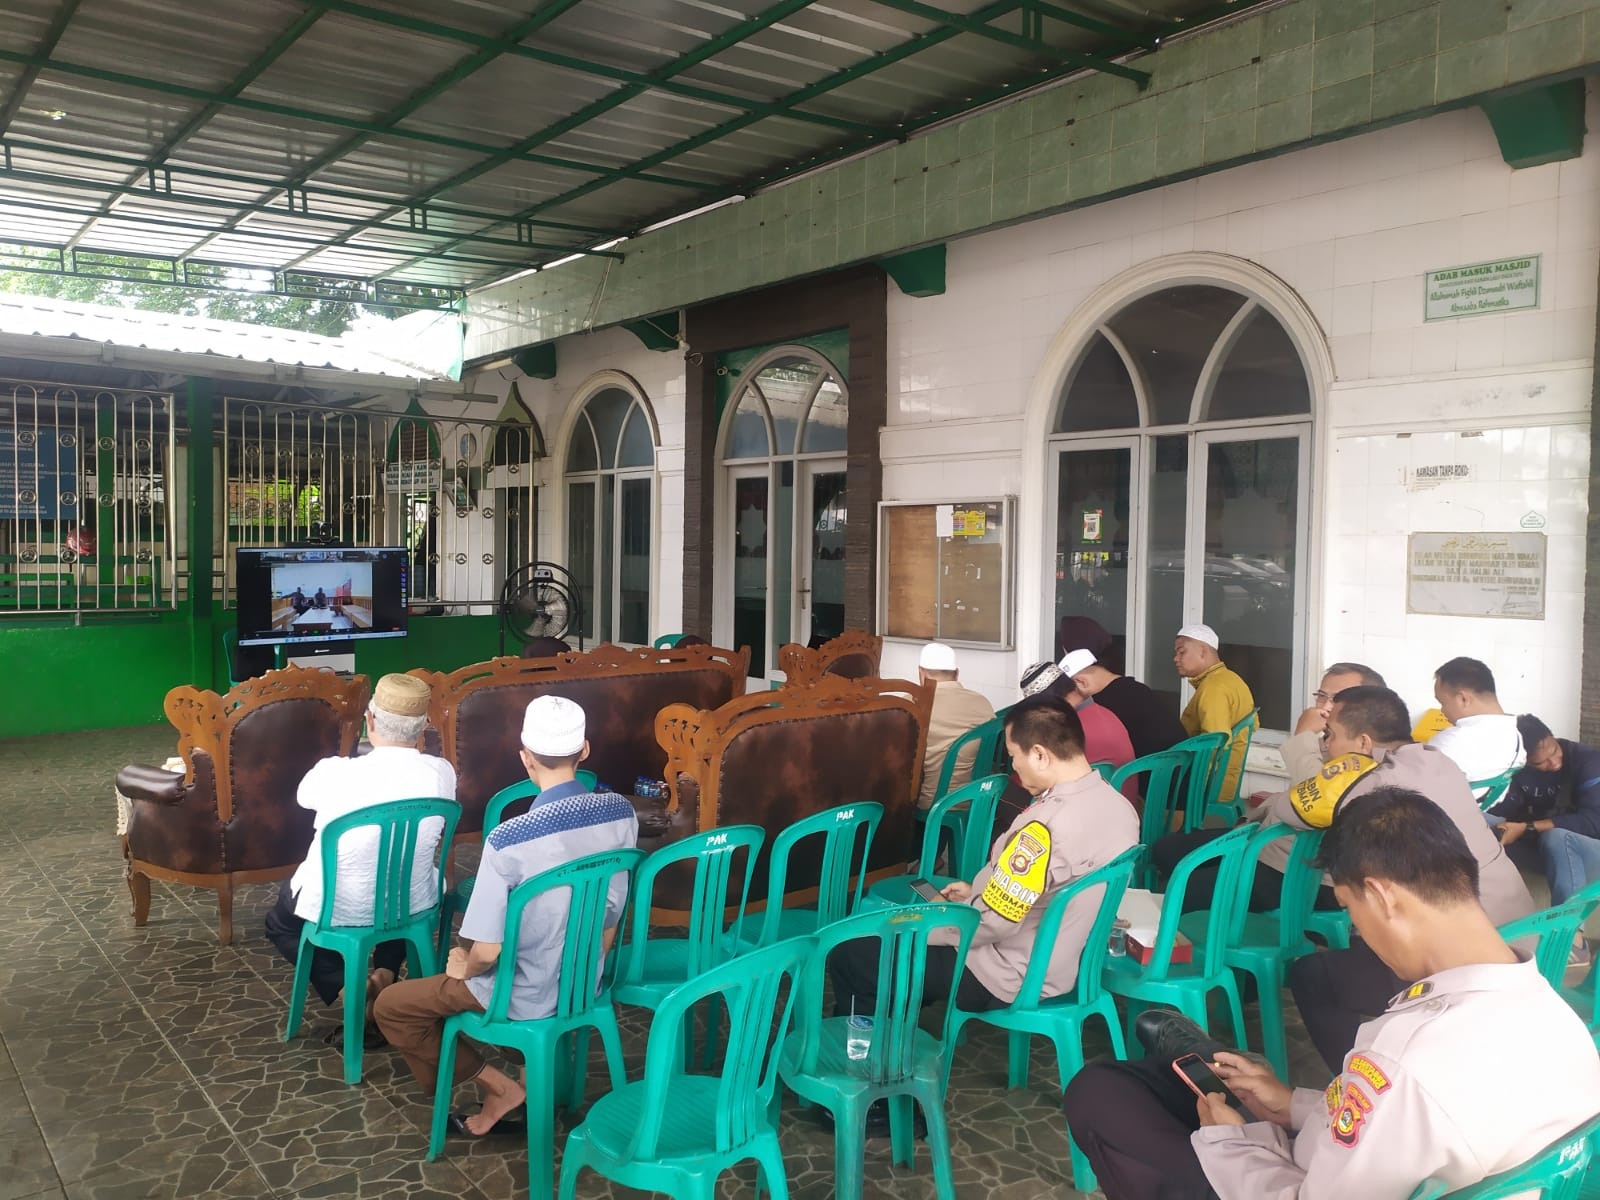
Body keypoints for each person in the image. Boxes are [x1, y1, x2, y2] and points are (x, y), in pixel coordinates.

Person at [1064, 787, 1600, 1200]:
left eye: (1350, 908)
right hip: (1359, 1161)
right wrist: (1291, 1105)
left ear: (1382, 896)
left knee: (1100, 1092)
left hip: (1309, 1179)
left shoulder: (1408, 1057)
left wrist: (1230, 1142)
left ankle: (1197, 1069)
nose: (1358, 929)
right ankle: (1200, 1061)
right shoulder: (1557, 1018)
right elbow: (1404, 1126)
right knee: (1182, 1081)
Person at [373, 696, 638, 1136]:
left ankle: (498, 1086)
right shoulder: (621, 812)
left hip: (523, 991)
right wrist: (589, 967)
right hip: (581, 980)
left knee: (393, 1006)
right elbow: (610, 912)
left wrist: (465, 966)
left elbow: (488, 951)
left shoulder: (509, 839)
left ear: (525, 758)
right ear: (585, 750)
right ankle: (532, 1076)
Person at [831, 696, 1138, 1019]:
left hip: (1004, 972)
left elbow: (991, 926)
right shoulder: (1120, 808)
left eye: (1013, 756)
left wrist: (927, 925)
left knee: (852, 952)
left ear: (1039, 754)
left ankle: (866, 1058)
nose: (1014, 769)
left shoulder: (1043, 828)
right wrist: (978, 895)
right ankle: (899, 1032)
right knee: (894, 959)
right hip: (1065, 963)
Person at [1281, 689, 1536, 1072]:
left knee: (1312, 974)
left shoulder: (1377, 788)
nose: (1326, 746)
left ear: (1364, 742)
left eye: (1330, 734)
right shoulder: (1438, 761)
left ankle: (1363, 1093)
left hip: (1466, 962)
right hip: (1522, 933)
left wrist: (1301, 741)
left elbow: (1301, 803)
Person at [263, 674, 456, 1045]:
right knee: (397, 892)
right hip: (412, 903)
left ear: (369, 721)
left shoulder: (334, 773)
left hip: (340, 907)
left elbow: (304, 798)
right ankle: (385, 974)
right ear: (424, 726)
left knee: (280, 925)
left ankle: (351, 993)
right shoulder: (442, 773)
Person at [1492, 714, 1600, 905]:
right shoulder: (1516, 769)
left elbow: (1593, 822)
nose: (1554, 763)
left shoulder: (1587, 760)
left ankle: (1571, 932)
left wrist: (1528, 827)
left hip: (1587, 850)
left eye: (1555, 751)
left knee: (1557, 838)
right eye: (1541, 762)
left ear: (1552, 736)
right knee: (1480, 823)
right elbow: (1502, 811)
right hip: (1543, 851)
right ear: (1523, 760)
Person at [1018, 659, 1137, 804]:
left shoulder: (1067, 732)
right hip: (1123, 809)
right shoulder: (1108, 714)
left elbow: (1041, 783)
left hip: (1086, 812)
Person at [1173, 623, 1256, 806]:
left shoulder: (1213, 689)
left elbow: (1214, 743)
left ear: (1202, 651)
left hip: (1209, 784)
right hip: (1227, 778)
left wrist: (1186, 779)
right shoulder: (1232, 679)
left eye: (1181, 652)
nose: (1175, 659)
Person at [915, 641, 997, 810]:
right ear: (957, 673)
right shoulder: (982, 703)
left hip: (930, 803)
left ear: (922, 674)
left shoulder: (913, 704)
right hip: (976, 798)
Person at [1065, 648, 1188, 759]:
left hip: (1153, 778)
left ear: (1081, 682)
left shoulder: (1102, 707)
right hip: (1184, 772)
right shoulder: (1138, 688)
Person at [1280, 662, 1386, 786]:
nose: (1326, 707)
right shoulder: (1321, 745)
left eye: (1338, 699)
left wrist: (1303, 734)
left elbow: (1319, 796)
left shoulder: (1378, 757)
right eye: (1321, 696)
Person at [1427, 656, 1525, 788]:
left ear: (1463, 699)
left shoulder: (1450, 743)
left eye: (1442, 702)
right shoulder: (1516, 736)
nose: (1442, 710)